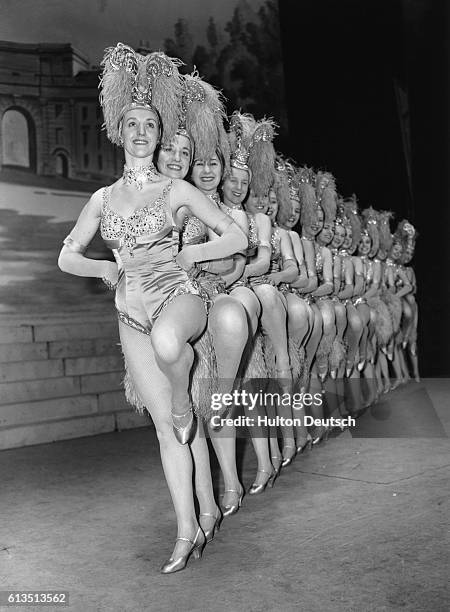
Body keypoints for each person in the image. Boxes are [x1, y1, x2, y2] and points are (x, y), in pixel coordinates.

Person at [58, 43, 247, 574]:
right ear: (120, 131)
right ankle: (187, 529)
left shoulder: (176, 189)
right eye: (132, 123)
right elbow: (67, 255)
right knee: (167, 432)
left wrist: (194, 252)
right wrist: (100, 268)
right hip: (129, 314)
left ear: (159, 136)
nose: (141, 132)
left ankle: (187, 398)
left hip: (179, 298)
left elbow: (234, 235)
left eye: (150, 125)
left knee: (170, 346)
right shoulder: (101, 199)